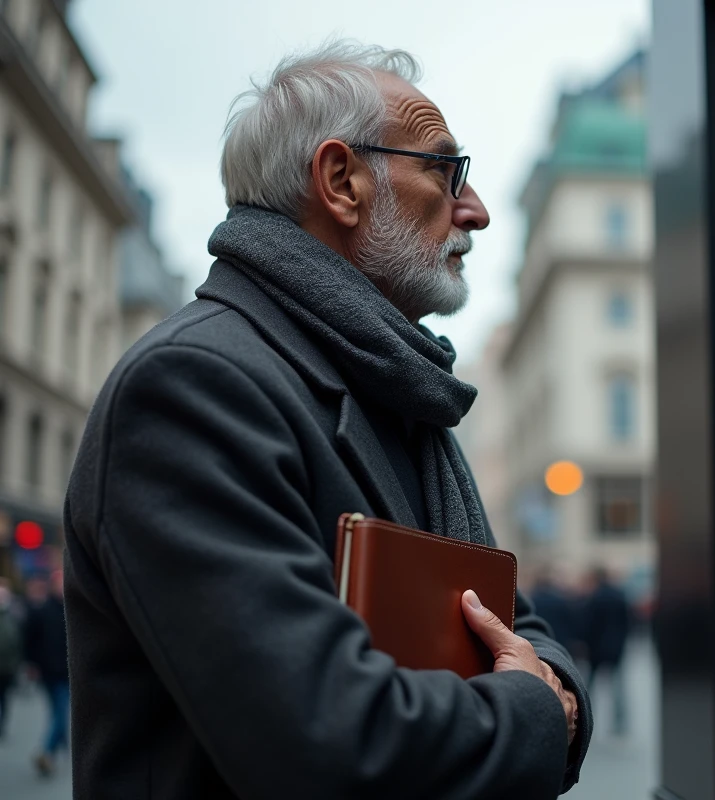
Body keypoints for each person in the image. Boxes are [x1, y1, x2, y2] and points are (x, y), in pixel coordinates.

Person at [63, 41, 590, 799]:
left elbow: (514, 623)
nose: (474, 210)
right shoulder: (193, 385)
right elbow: (330, 742)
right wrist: (542, 707)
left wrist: (550, 684)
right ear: (342, 182)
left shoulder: (403, 392)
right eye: (446, 171)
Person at [21, 571, 69, 775]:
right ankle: (48, 750)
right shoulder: (42, 611)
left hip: (65, 672)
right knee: (59, 713)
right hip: (50, 672)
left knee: (59, 712)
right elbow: (29, 640)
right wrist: (31, 665)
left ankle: (56, 748)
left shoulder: (70, 612)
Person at [582, 566, 632, 736]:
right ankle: (620, 723)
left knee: (590, 686)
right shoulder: (619, 595)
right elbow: (628, 622)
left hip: (597, 648)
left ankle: (583, 717)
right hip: (616, 647)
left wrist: (586, 644)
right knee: (618, 687)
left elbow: (589, 624)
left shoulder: (595, 597)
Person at [0, 577, 21, 740]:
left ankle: (3, 724)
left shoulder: (15, 613)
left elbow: (19, 641)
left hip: (8, 666)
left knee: (5, 698)